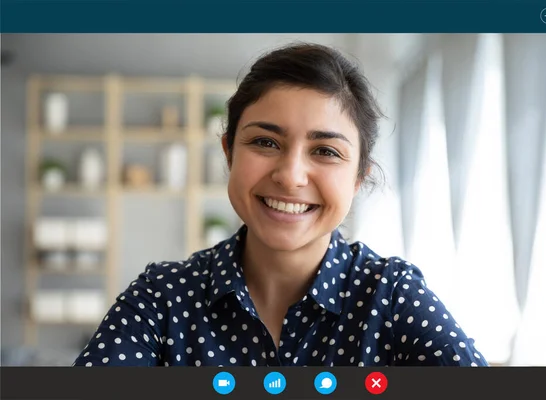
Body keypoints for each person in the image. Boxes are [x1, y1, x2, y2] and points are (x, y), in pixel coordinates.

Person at [73, 43, 488, 367]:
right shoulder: (162, 298)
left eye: (325, 151)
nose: (290, 176)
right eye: (265, 142)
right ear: (229, 153)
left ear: (359, 177)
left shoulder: (392, 297)